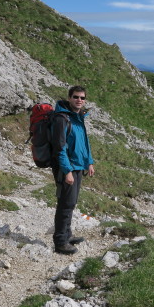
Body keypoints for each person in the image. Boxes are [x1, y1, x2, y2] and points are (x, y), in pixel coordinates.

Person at [52, 85, 95, 255]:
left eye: (82, 98)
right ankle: (60, 242)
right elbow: (59, 148)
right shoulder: (61, 119)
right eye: (76, 97)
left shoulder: (78, 117)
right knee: (65, 202)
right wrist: (67, 171)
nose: (79, 100)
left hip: (78, 166)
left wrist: (89, 162)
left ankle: (67, 235)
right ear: (69, 98)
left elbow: (84, 142)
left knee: (71, 202)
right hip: (67, 167)